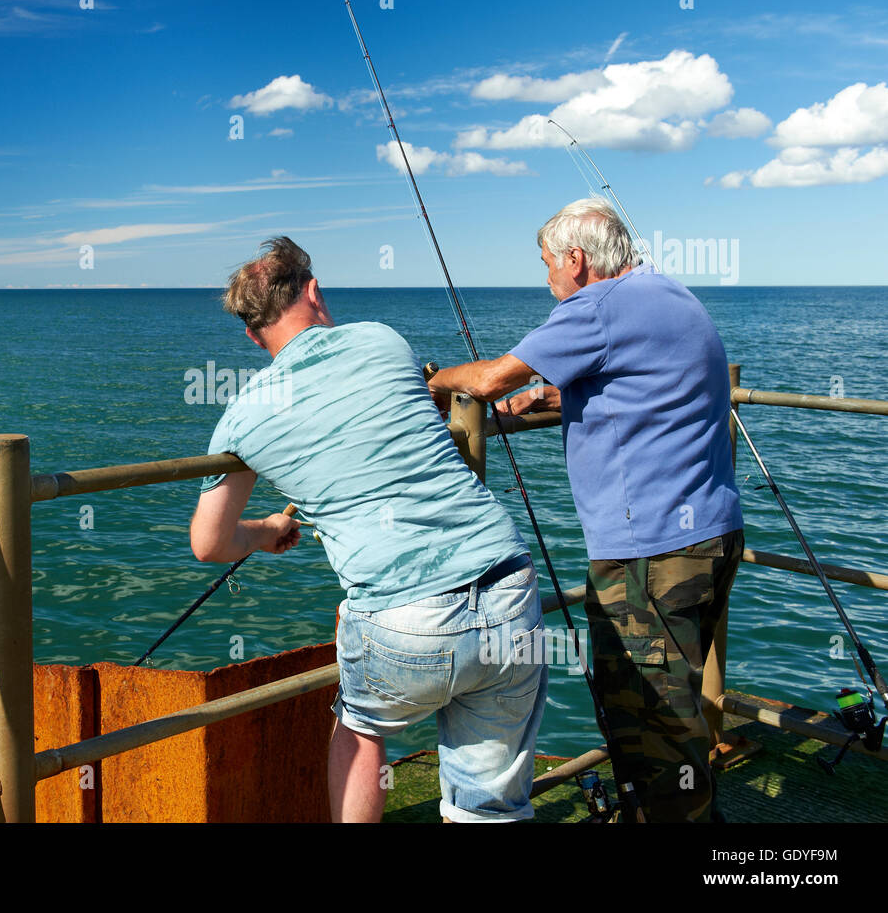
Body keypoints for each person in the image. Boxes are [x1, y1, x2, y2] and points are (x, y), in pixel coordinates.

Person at [189, 235, 547, 823]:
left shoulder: (243, 416)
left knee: (360, 729)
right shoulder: (385, 340)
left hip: (403, 621)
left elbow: (208, 544)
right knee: (489, 809)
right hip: (507, 587)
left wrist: (263, 533)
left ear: (253, 335)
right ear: (314, 291)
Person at [426, 198, 744, 823]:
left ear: (576, 260)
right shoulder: (667, 293)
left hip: (650, 557)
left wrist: (433, 384)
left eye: (546, 263)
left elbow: (491, 380)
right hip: (713, 535)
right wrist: (557, 391)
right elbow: (646, 376)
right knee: (678, 710)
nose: (547, 278)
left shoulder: (593, 306)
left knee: (654, 725)